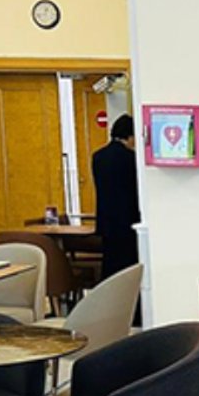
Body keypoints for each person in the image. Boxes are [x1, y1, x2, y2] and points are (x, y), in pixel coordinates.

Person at [92, 113, 141, 281]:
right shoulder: (131, 159)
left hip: (106, 222)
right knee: (128, 267)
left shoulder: (98, 157)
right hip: (127, 221)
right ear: (130, 136)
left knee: (110, 265)